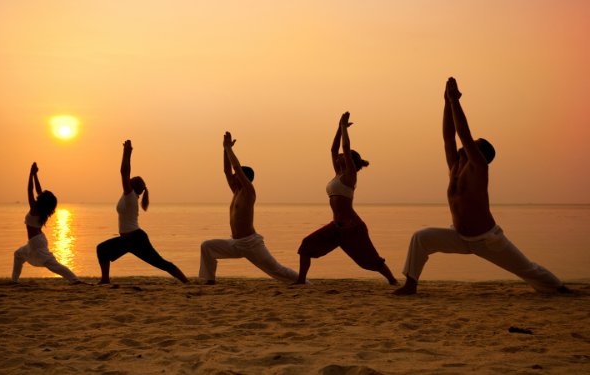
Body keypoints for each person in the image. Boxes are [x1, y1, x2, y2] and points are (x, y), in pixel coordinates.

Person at [393, 77, 568, 295]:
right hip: (459, 236)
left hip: (487, 239)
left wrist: (456, 101)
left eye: (472, 146)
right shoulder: (455, 167)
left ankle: (559, 289)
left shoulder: (478, 168)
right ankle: (410, 285)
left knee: (527, 269)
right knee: (421, 237)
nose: (465, 146)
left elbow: (463, 135)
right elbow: (448, 137)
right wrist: (446, 102)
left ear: (479, 155)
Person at [294, 112, 398, 285]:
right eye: (340, 155)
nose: (340, 155)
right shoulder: (337, 173)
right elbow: (333, 149)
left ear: (350, 160)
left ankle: (393, 280)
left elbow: (346, 148)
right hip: (336, 227)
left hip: (353, 227)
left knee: (371, 260)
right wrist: (338, 127)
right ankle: (301, 281)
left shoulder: (350, 176)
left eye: (344, 155)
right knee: (306, 246)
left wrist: (344, 128)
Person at [199, 132, 299, 285]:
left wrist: (229, 148)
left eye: (236, 175)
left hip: (251, 243)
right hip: (236, 243)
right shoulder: (236, 191)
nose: (232, 176)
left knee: (277, 270)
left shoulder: (248, 191)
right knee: (207, 246)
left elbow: (236, 168)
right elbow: (227, 171)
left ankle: (303, 282)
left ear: (243, 178)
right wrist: (224, 150)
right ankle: (209, 280)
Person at [96, 140, 189, 284]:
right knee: (102, 250)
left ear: (132, 185)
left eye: (130, 180)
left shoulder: (130, 196)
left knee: (160, 263)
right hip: (128, 240)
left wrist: (127, 152)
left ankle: (186, 282)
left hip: (136, 239)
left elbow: (124, 172)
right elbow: (126, 174)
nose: (127, 180)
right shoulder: (130, 197)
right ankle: (105, 280)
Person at [12, 162, 82, 283]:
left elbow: (30, 190)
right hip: (35, 241)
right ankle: (14, 281)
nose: (41, 194)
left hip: (37, 243)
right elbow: (39, 191)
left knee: (52, 264)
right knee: (18, 254)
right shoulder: (42, 210)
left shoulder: (35, 208)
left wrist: (30, 173)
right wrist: (35, 175)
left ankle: (75, 280)